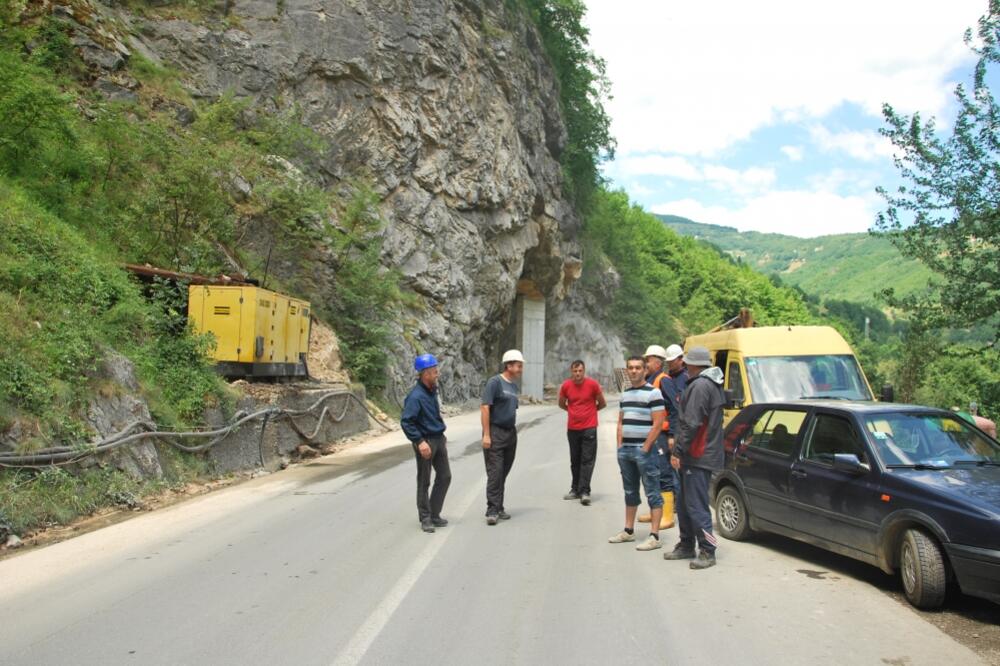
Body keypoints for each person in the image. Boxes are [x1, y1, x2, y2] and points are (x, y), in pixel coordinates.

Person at [664, 346, 726, 569]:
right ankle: (686, 544)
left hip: (698, 455)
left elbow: (691, 423)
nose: (684, 366)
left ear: (692, 364)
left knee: (697, 505)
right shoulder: (709, 383)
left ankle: (708, 551)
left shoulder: (700, 386)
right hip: (697, 454)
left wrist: (678, 451)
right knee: (684, 503)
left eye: (687, 362)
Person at [608, 356, 666, 551]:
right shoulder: (626, 394)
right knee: (630, 491)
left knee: (652, 491)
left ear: (644, 370)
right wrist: (619, 446)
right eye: (630, 368)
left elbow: (658, 423)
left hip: (644, 452)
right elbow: (621, 422)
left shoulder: (654, 393)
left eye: (638, 368)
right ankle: (628, 530)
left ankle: (655, 535)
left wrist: (645, 447)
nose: (634, 371)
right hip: (626, 451)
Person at [400, 353, 451, 533]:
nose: (437, 373)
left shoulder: (432, 390)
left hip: (438, 438)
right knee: (424, 480)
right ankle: (425, 518)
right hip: (426, 442)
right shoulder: (415, 397)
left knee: (445, 476)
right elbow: (407, 422)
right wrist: (420, 442)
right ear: (425, 373)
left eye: (436, 370)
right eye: (434, 371)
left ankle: (434, 513)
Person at [481, 349, 524, 525]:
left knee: (503, 471)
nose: (521, 369)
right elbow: (485, 408)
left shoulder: (513, 386)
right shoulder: (495, 383)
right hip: (495, 431)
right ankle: (492, 509)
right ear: (509, 365)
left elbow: (512, 410)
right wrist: (486, 434)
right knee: (495, 472)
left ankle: (499, 506)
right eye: (518, 365)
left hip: (510, 433)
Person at [636, 345, 675, 530]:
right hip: (652, 433)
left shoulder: (664, 380)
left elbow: (674, 410)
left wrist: (673, 434)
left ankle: (667, 516)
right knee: (652, 471)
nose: (646, 362)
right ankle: (655, 512)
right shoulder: (650, 380)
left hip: (662, 433)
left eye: (648, 359)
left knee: (664, 472)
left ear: (658, 362)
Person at [558, 359, 607, 505]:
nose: (577, 374)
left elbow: (602, 403)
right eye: (575, 371)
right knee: (575, 460)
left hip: (589, 427)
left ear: (584, 371)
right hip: (572, 428)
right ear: (571, 372)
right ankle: (575, 489)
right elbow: (561, 403)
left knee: (587, 460)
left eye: (580, 371)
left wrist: (590, 412)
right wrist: (572, 411)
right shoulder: (566, 386)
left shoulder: (592, 385)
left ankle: (585, 491)